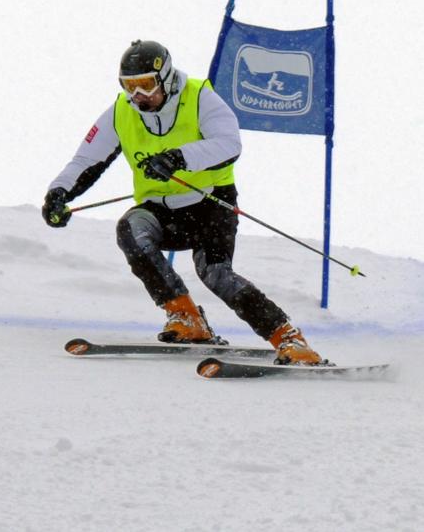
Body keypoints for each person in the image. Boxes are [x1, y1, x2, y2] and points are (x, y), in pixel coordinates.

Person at [41, 40, 325, 366]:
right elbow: (86, 159)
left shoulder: (200, 96)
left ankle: (289, 339)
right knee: (131, 230)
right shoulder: (121, 112)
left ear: (166, 77)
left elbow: (229, 143)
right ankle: (187, 319)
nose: (138, 96)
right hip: (161, 212)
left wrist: (179, 158)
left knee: (216, 275)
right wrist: (59, 193)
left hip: (210, 205)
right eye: (130, 87)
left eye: (146, 84)